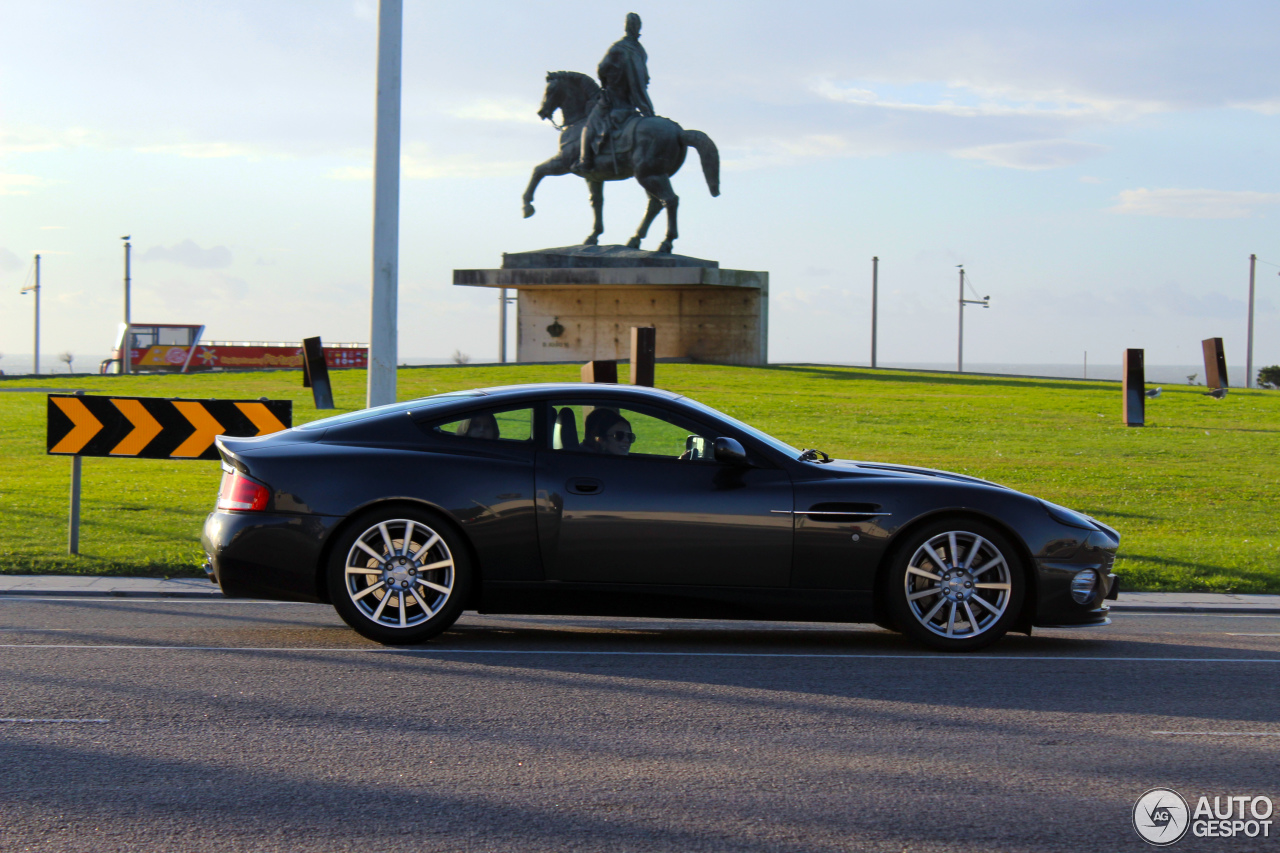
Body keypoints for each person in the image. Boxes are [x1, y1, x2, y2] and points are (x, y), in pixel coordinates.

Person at [577, 12, 654, 173]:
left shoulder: (617, 48)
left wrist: (607, 80)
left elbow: (601, 69)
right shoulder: (641, 51)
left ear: (626, 27)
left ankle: (585, 161)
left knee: (589, 126)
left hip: (613, 99)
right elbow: (645, 77)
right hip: (633, 102)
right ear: (638, 28)